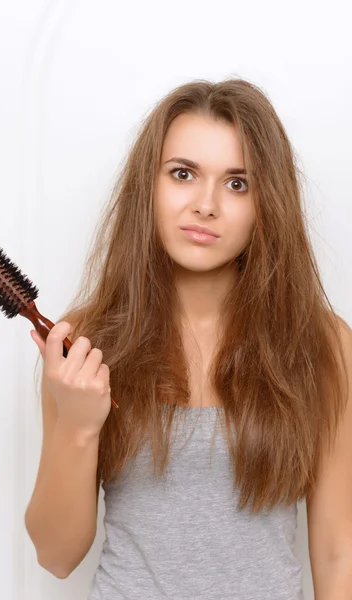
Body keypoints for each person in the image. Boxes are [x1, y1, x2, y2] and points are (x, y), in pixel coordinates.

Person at [24, 78, 352, 599]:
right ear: (148, 187)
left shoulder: (323, 344)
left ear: (268, 204)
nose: (206, 204)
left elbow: (338, 550)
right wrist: (78, 426)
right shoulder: (84, 343)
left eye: (237, 184)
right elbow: (56, 556)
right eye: (183, 174)